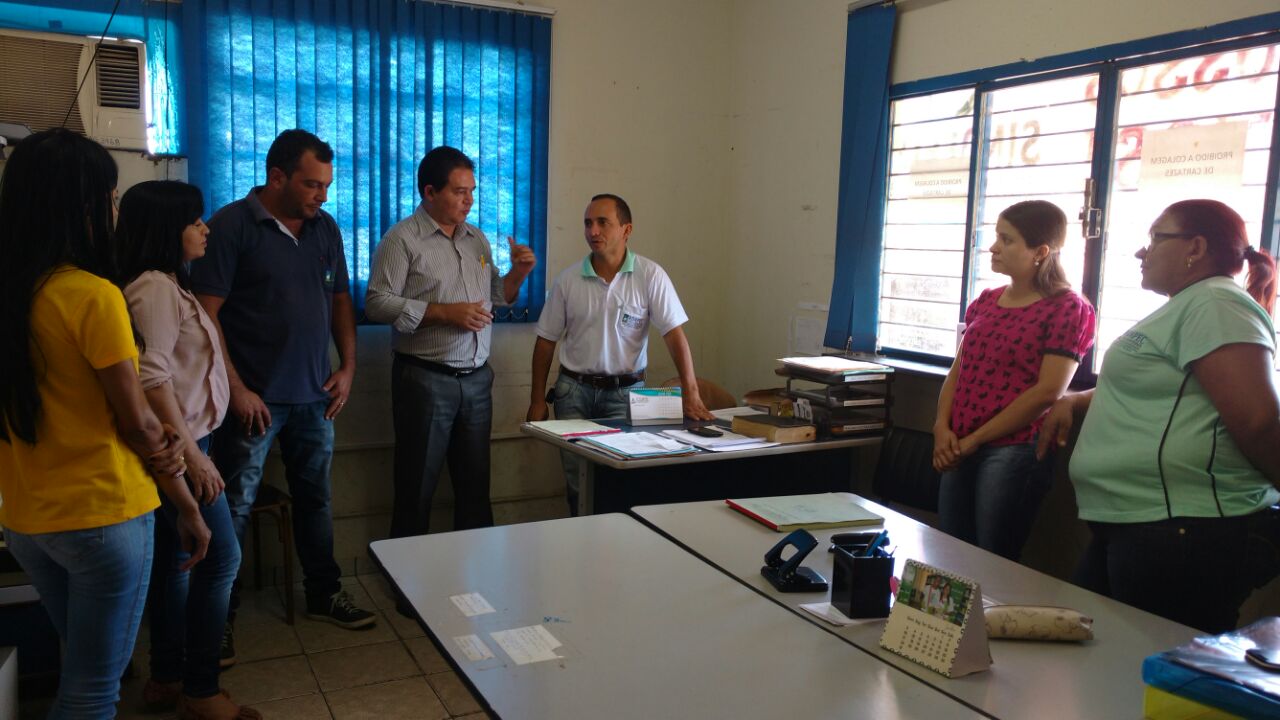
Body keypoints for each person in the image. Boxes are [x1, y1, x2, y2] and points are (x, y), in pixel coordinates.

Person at [0, 129, 208, 719]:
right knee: (94, 689)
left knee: (82, 667)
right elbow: (138, 425)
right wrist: (187, 505)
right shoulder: (91, 295)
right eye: (110, 199)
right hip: (101, 514)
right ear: (81, 207)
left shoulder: (13, 294)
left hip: (26, 518)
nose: (114, 214)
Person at [1039, 199, 1280, 633]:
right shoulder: (1191, 304)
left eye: (1155, 239)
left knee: (1151, 664)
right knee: (1100, 656)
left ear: (1196, 248)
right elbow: (1152, 383)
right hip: (1140, 522)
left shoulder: (1216, 303)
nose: (1141, 251)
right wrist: (1073, 401)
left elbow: (1258, 421)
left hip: (1183, 529)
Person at [191, 129, 374, 658]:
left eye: (327, 186)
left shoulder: (325, 229)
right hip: (254, 402)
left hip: (315, 396)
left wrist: (349, 367)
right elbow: (205, 315)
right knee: (234, 507)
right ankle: (217, 618)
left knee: (316, 499)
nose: (323, 195)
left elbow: (340, 300)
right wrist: (237, 388)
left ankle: (323, 593)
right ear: (277, 177)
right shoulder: (232, 226)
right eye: (312, 184)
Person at [116, 181, 258, 719]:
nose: (205, 229)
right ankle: (201, 690)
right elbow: (151, 377)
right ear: (164, 229)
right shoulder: (153, 287)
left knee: (177, 561)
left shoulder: (169, 283)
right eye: (194, 221)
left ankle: (167, 677)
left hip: (189, 439)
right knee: (220, 557)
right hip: (183, 444)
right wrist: (194, 458)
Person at [365, 146, 536, 546]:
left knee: (475, 488)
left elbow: (498, 296)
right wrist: (444, 313)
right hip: (425, 379)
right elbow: (376, 303)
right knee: (416, 488)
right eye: (460, 191)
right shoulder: (401, 239)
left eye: (472, 191)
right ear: (429, 191)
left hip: (476, 379)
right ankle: (405, 576)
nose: (469, 200)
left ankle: (472, 573)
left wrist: (520, 272)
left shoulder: (476, 239)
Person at [526, 194, 716, 514]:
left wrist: (692, 393)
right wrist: (535, 401)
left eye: (603, 222)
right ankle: (580, 534)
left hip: (626, 393)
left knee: (621, 478)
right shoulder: (568, 280)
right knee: (577, 482)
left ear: (626, 230)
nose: (593, 231)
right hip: (573, 393)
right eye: (588, 223)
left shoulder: (650, 275)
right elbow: (545, 341)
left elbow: (674, 336)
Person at [933, 200, 1095, 560]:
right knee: (951, 554)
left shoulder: (1068, 308)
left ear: (1040, 252)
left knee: (993, 558)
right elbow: (959, 369)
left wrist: (975, 440)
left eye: (1006, 240)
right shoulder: (987, 300)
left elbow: (1047, 392)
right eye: (996, 237)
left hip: (1013, 448)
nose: (994, 248)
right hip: (959, 441)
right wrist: (941, 426)